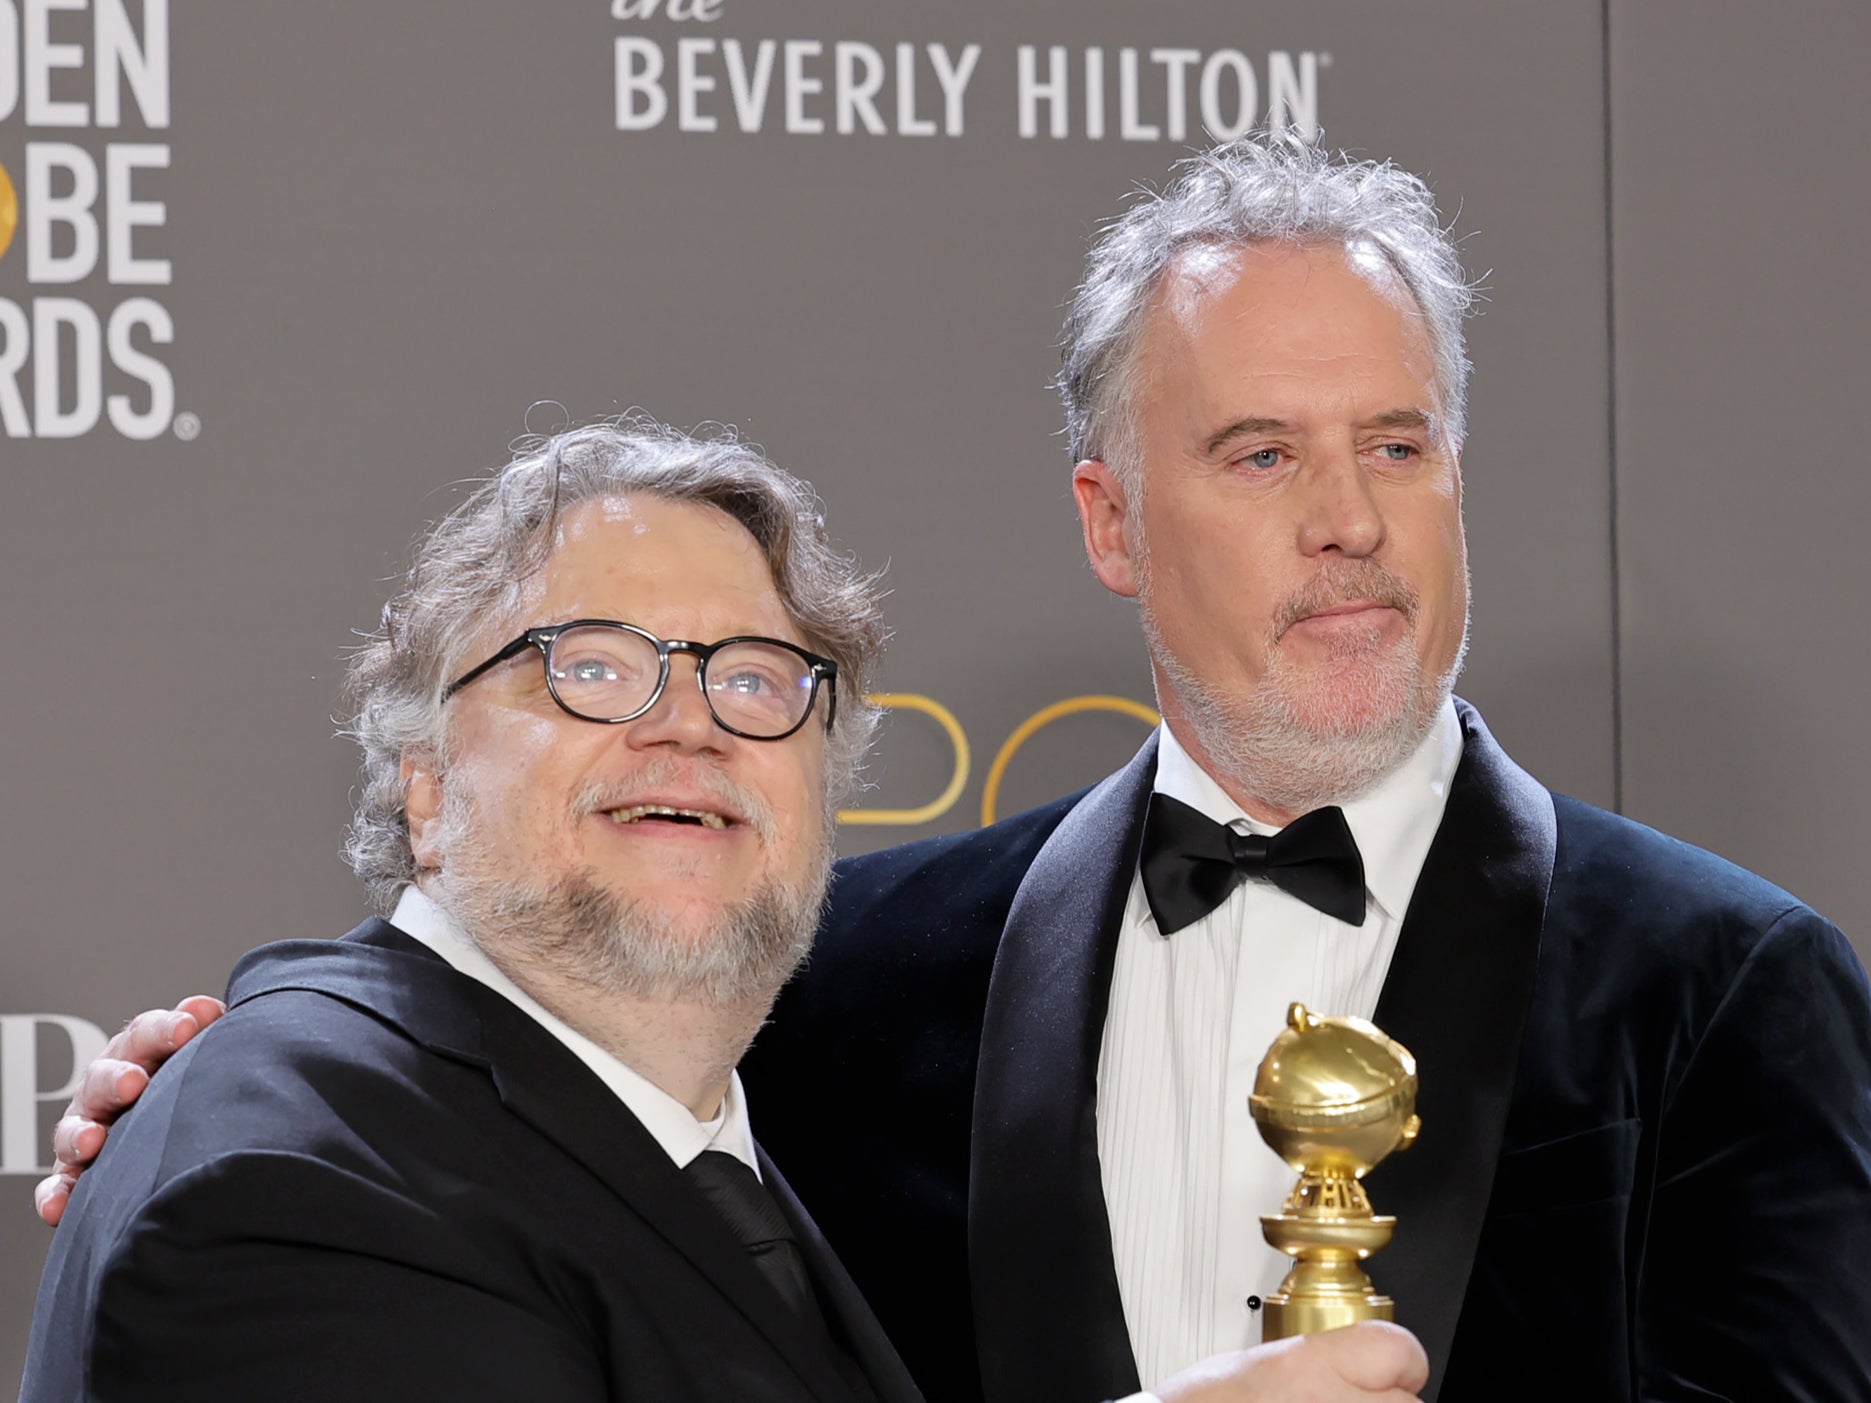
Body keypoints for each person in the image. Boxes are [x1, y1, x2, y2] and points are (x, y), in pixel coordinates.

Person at [38, 136, 1871, 1401]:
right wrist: (258, 1054)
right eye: (1258, 455)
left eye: (1397, 447)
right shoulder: (842, 969)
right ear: (1110, 518)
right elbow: (511, 1130)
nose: (1349, 526)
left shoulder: (1729, 989)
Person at [24, 418, 1430, 1403]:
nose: (688, 723)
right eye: (591, 668)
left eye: (757, 678)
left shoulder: (719, 1132)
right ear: (427, 790)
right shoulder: (295, 1180)